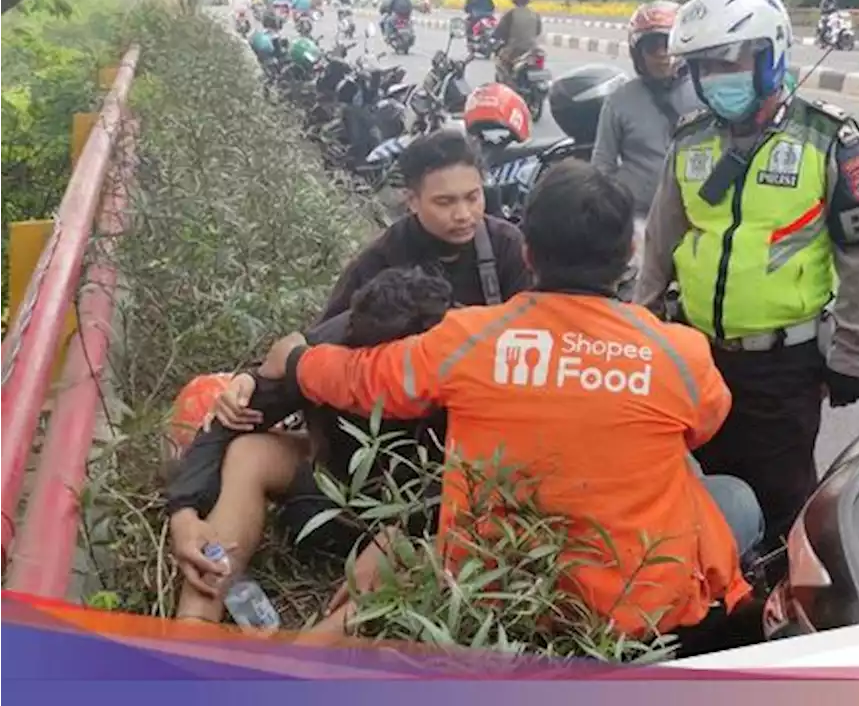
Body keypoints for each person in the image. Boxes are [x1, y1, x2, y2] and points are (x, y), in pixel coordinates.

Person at [251, 160, 762, 641]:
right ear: (629, 252)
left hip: (493, 593)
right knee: (730, 496)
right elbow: (704, 424)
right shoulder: (680, 353)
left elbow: (361, 378)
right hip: (635, 611)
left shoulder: (467, 338)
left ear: (529, 253)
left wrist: (295, 359)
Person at [636, 0, 859, 556]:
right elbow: (660, 241)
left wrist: (851, 352)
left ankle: (771, 626)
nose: (716, 77)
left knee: (779, 504)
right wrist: (640, 325)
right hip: (696, 357)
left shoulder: (828, 139)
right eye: (703, 66)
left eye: (731, 61)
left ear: (771, 56)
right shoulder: (690, 139)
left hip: (784, 367)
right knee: (696, 494)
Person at [166, 266, 453, 623]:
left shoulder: (465, 360)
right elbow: (230, 421)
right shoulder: (331, 346)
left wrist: (399, 534)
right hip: (336, 491)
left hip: (427, 516)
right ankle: (195, 625)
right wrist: (184, 511)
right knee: (249, 452)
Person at [314, 129, 532, 325]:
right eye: (444, 202)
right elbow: (328, 343)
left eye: (472, 198)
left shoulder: (508, 246)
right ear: (412, 200)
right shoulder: (380, 261)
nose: (463, 215)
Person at [592, 1, 699, 302]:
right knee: (635, 287)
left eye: (669, 45)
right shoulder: (619, 101)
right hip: (640, 216)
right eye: (653, 48)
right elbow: (602, 164)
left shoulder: (705, 92)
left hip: (700, 212)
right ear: (638, 54)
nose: (662, 55)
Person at [493, 0, 541, 85]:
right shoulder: (535, 14)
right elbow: (538, 31)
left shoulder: (510, 14)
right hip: (532, 49)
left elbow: (499, 32)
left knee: (500, 62)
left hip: (514, 50)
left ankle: (508, 85)